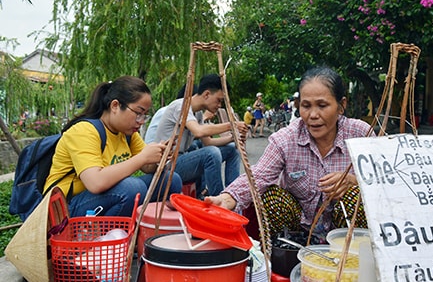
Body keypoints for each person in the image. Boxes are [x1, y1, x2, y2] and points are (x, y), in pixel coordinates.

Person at [206, 66, 376, 237]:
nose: (313, 115)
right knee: (272, 198)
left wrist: (354, 181)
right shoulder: (286, 138)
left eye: (322, 105)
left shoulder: (361, 134)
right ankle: (286, 254)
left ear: (341, 105)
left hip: (347, 235)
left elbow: (384, 183)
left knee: (356, 196)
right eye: (306, 106)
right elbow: (259, 175)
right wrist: (228, 198)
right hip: (299, 228)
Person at [44, 76, 183, 217]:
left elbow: (147, 167)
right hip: (66, 207)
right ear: (115, 106)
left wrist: (159, 156)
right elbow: (95, 183)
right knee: (132, 188)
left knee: (170, 180)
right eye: (138, 113)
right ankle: (108, 236)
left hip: (99, 198)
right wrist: (142, 157)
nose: (141, 121)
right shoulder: (83, 131)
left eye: (144, 116)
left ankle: (148, 230)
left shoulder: (128, 133)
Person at [154, 74, 249, 196]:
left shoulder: (197, 114)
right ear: (207, 94)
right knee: (211, 153)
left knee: (232, 150)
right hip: (168, 165)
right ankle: (219, 201)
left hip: (182, 160)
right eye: (219, 100)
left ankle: (232, 194)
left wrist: (233, 138)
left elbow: (208, 142)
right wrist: (232, 125)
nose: (219, 105)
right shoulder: (181, 105)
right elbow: (199, 131)